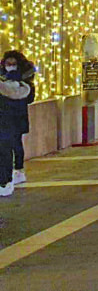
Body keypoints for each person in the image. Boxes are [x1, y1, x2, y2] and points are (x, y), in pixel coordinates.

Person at [0, 50, 35, 195]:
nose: (10, 66)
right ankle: (10, 177)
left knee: (13, 146)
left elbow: (29, 97)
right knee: (9, 147)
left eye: (13, 64)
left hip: (14, 118)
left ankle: (15, 173)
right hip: (9, 119)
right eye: (8, 63)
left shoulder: (25, 83)